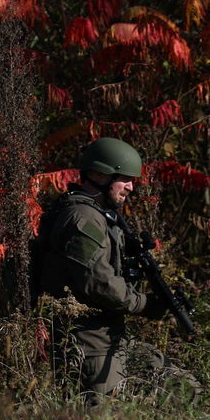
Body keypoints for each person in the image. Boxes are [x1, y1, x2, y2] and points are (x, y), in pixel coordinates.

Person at [34, 136, 172, 401]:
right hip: (89, 342)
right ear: (99, 174)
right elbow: (98, 283)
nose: (131, 187)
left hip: (111, 336)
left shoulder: (100, 214)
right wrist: (145, 304)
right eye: (124, 179)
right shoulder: (83, 218)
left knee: (182, 388)